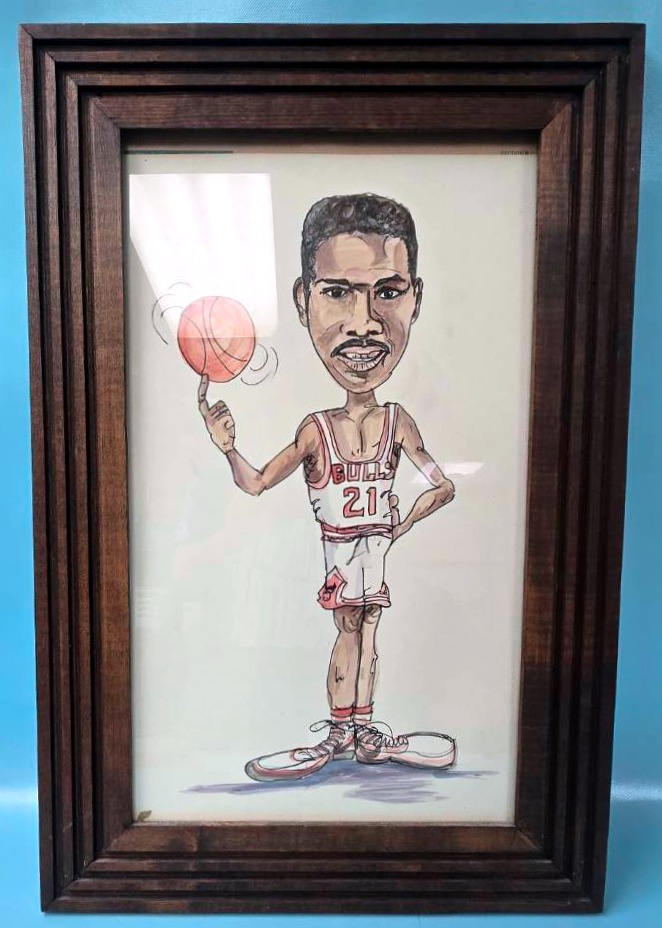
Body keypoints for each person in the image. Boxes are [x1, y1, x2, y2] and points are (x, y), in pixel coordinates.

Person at [198, 193, 457, 780]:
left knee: (369, 630)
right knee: (350, 629)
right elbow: (257, 483)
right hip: (344, 556)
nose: (364, 323)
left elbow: (443, 486)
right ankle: (343, 729)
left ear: (415, 299)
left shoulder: (398, 422)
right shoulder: (317, 430)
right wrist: (227, 446)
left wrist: (398, 525)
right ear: (302, 300)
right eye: (338, 291)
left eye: (388, 292)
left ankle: (363, 727)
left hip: (372, 552)